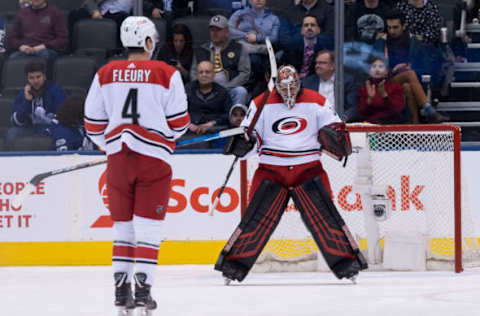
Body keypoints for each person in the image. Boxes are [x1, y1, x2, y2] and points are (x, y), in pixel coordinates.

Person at [215, 65, 367, 284]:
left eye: (292, 86)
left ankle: (348, 266)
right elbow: (251, 139)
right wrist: (243, 144)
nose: (288, 92)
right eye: (283, 87)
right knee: (255, 220)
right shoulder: (260, 103)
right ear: (275, 85)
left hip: (308, 168)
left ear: (300, 82)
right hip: (271, 170)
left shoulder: (317, 100)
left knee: (325, 217)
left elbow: (335, 129)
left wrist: (335, 138)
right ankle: (233, 268)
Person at [84, 16, 190, 315]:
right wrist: (163, 139)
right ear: (147, 41)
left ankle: (121, 291)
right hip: (154, 161)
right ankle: (143, 290)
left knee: (122, 227)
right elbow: (180, 123)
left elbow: (92, 124)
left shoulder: (105, 72)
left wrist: (112, 147)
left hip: (118, 160)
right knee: (149, 227)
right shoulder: (166, 72)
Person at [372, 10, 448, 123]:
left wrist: (410, 69)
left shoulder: (415, 43)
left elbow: (425, 68)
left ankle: (414, 127)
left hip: (412, 82)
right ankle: (429, 110)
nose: (391, 31)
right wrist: (394, 70)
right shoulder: (380, 43)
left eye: (395, 27)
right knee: (409, 75)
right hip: (386, 82)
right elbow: (374, 70)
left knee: (407, 86)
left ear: (404, 26)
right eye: (389, 27)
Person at [191, 15, 250, 107]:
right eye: (212, 30)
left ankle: (236, 120)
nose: (214, 33)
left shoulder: (238, 48)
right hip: (205, 90)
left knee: (240, 91)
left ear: (227, 31)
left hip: (229, 89)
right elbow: (194, 72)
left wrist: (228, 87)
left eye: (218, 30)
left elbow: (244, 73)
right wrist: (203, 87)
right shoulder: (201, 50)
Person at [5, 61, 65, 150]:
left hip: (50, 128)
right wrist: (27, 101)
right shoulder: (23, 94)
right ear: (27, 79)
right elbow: (16, 121)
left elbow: (62, 117)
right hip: (29, 129)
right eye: (31, 78)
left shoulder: (56, 91)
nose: (35, 81)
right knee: (12, 133)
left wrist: (47, 128)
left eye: (38, 77)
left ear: (44, 76)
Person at [303, 50, 360, 122]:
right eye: (316, 63)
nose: (317, 66)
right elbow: (303, 107)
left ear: (333, 66)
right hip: (314, 123)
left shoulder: (346, 81)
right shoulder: (307, 82)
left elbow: (353, 108)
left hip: (339, 123)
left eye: (322, 63)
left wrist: (340, 120)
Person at [185, 61, 231, 136]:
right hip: (190, 128)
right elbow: (179, 111)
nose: (204, 75)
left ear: (214, 74)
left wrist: (211, 123)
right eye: (201, 72)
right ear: (197, 75)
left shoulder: (222, 92)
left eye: (207, 72)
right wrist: (188, 124)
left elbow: (228, 114)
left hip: (214, 130)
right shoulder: (188, 89)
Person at [280, 14, 334, 79]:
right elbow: (283, 66)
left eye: (312, 25)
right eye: (306, 25)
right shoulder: (292, 45)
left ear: (318, 30)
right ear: (301, 30)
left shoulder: (325, 46)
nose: (309, 28)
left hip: (316, 80)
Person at [357, 58, 408, 123]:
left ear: (386, 72)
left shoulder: (396, 87)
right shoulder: (364, 89)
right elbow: (361, 113)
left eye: (380, 66)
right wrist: (370, 98)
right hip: (370, 126)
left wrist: (384, 95)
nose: (377, 69)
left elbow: (397, 111)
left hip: (391, 125)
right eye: (374, 66)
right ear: (369, 71)